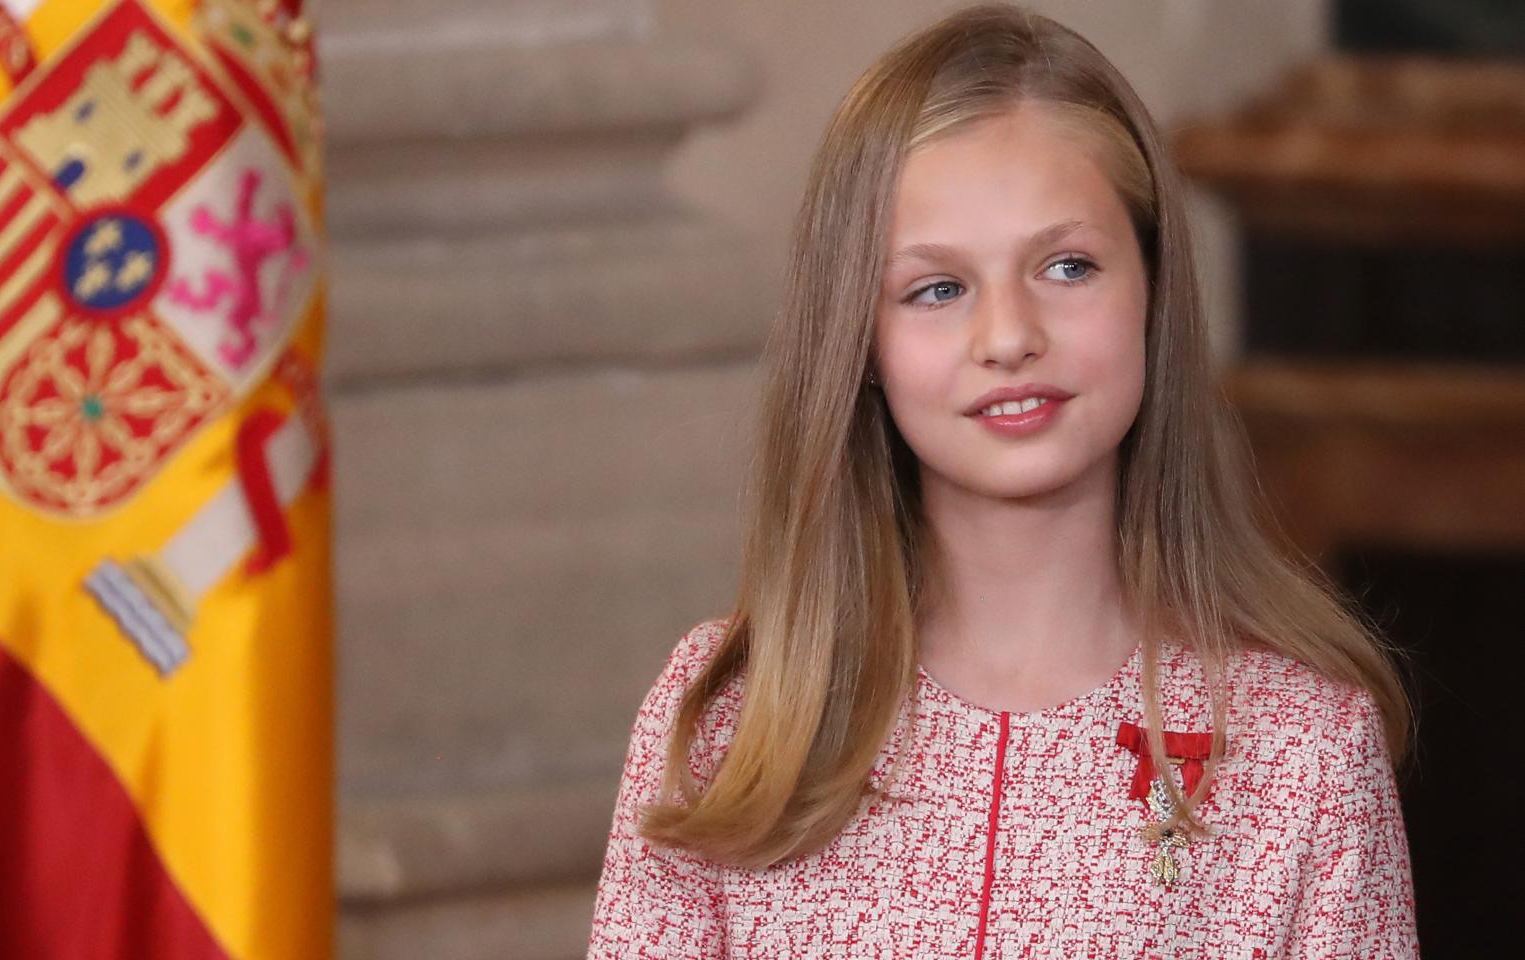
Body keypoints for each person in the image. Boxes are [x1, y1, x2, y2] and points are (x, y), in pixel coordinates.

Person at [586, 4, 1418, 958]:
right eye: (936, 289)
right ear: (861, 340)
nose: (1009, 336)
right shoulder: (731, 721)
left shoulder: (1301, 753)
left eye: (1067, 266)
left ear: (1153, 292)